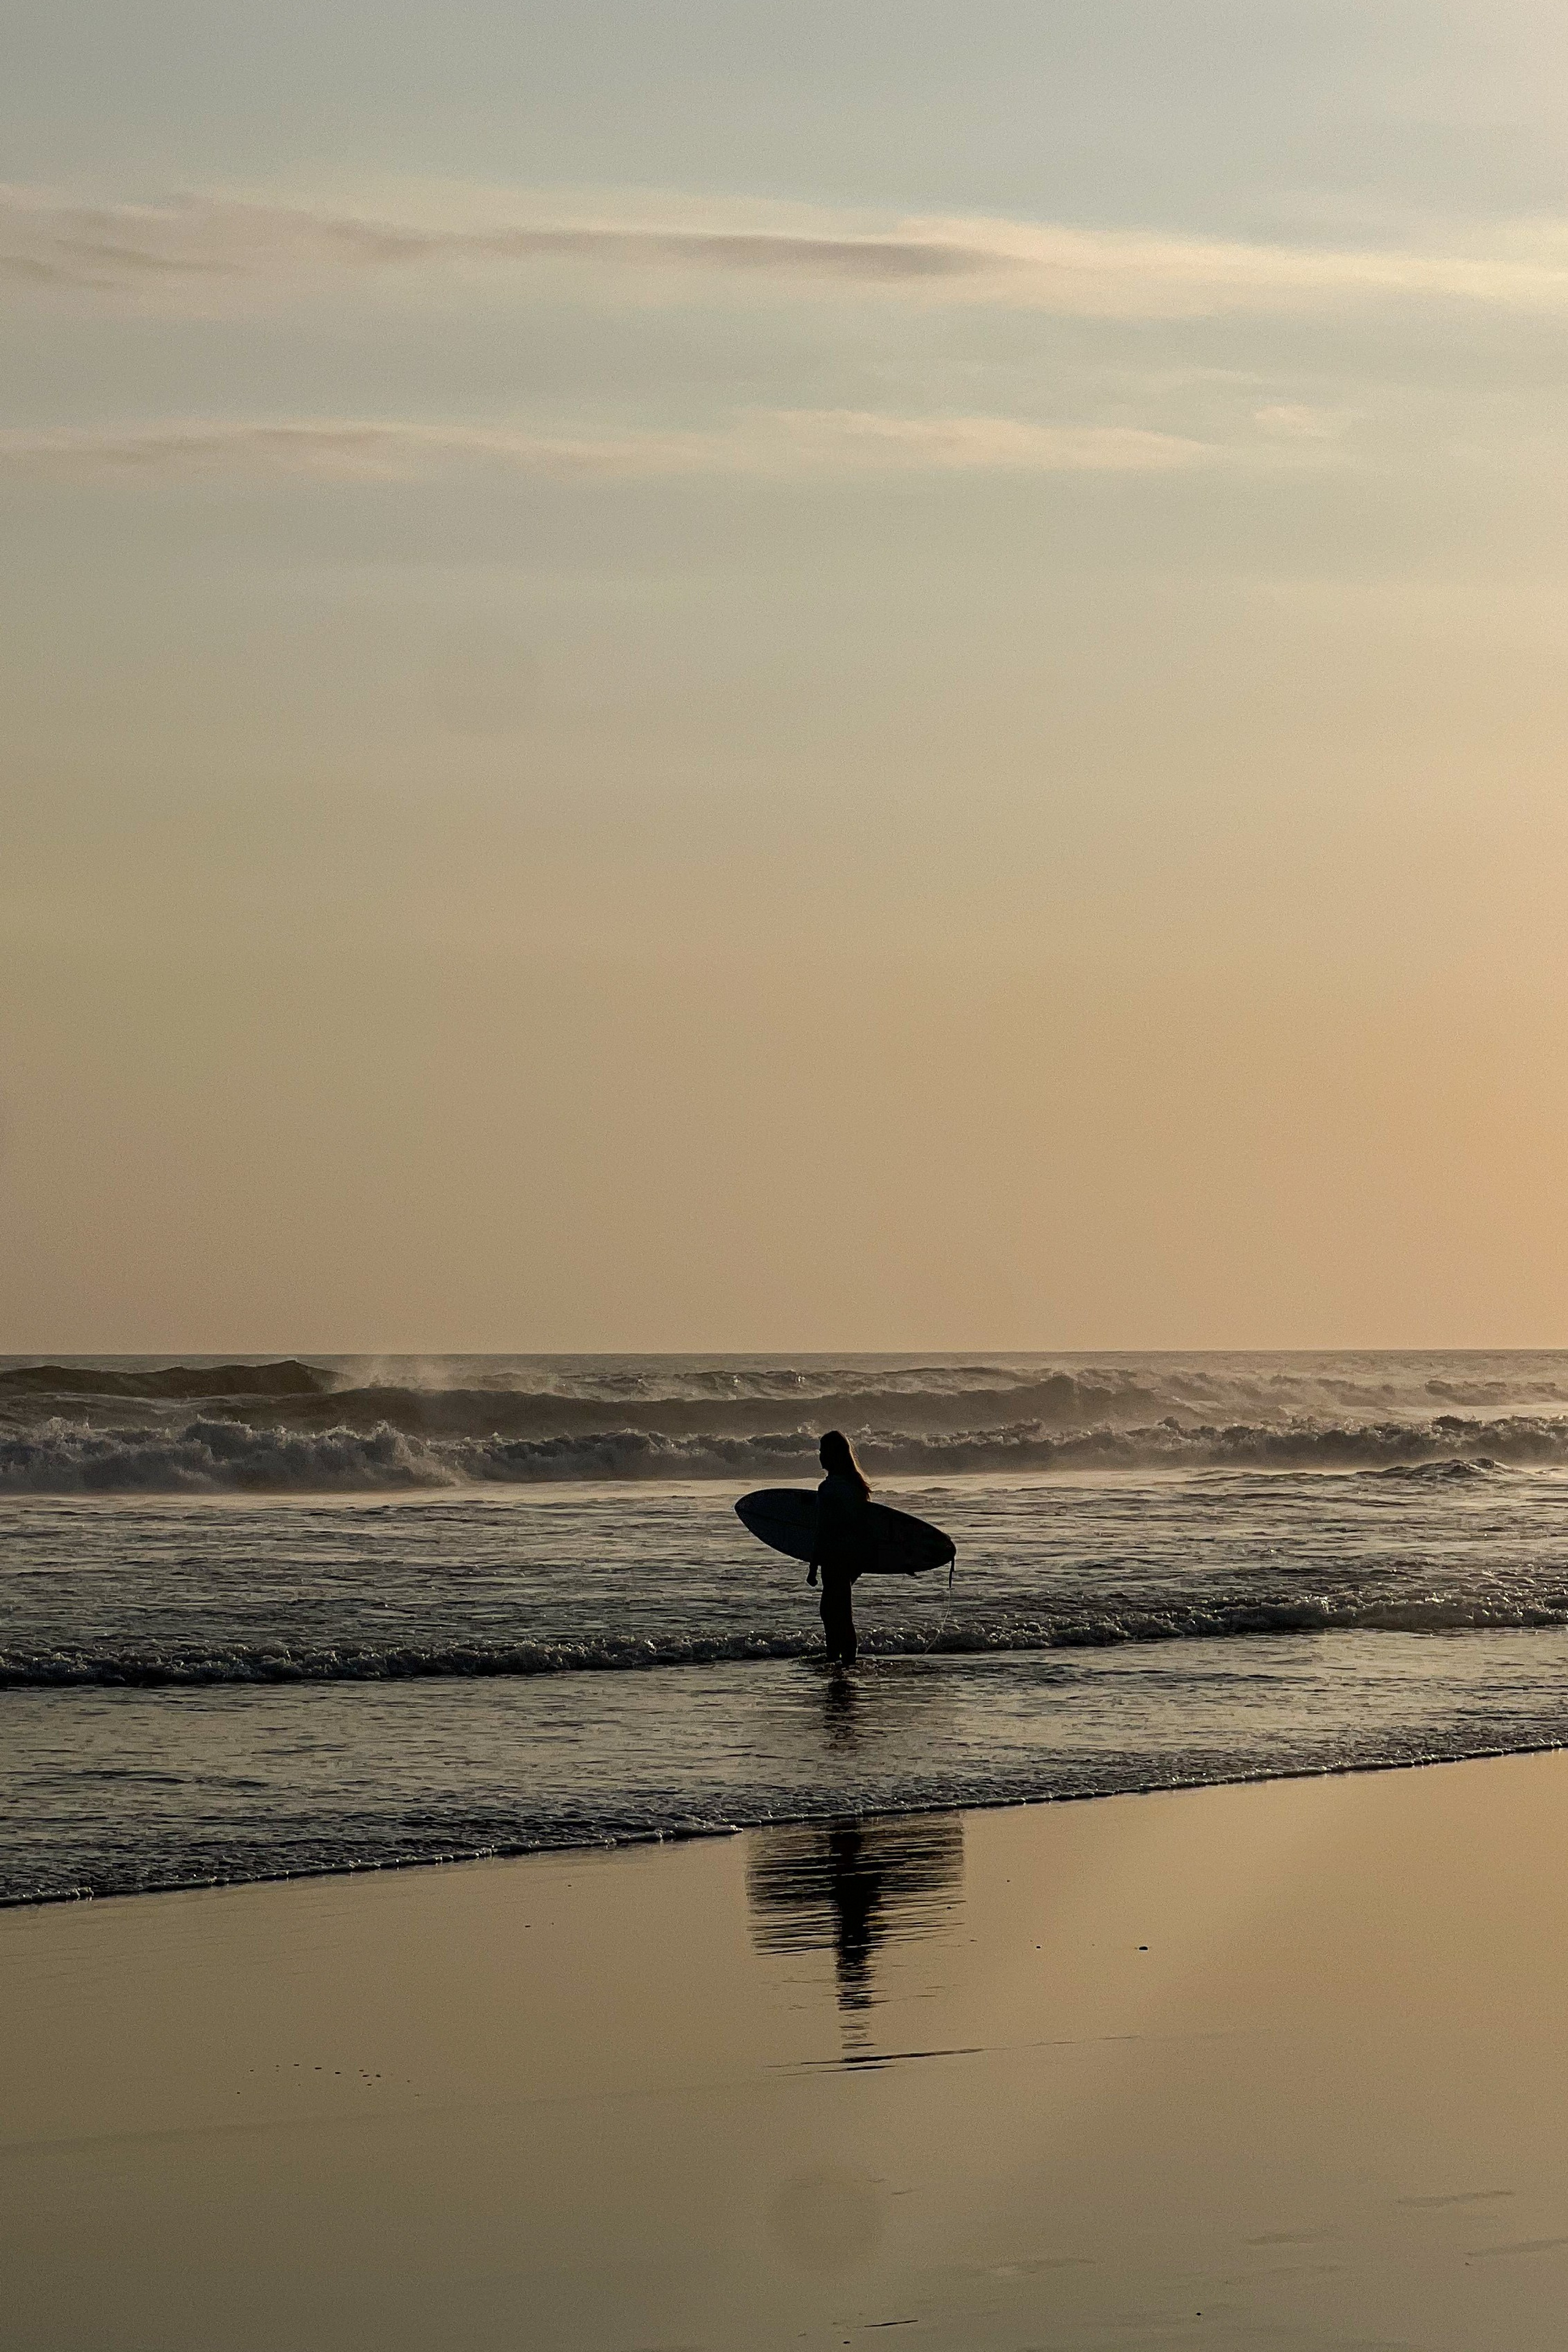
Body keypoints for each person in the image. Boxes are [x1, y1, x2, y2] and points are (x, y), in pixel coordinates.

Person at [807, 1430, 872, 1665]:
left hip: (834, 1556)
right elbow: (863, 1525)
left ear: (833, 1455)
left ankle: (841, 1662)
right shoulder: (854, 1486)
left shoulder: (829, 1488)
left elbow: (822, 1530)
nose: (820, 1456)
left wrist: (812, 1568)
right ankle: (843, 1661)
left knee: (833, 1612)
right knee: (840, 1611)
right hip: (851, 1556)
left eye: (823, 1451)